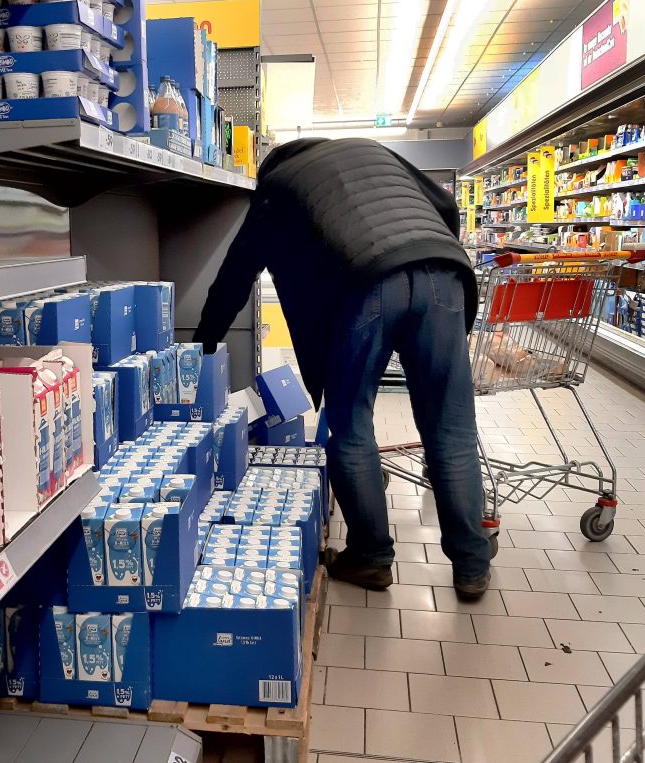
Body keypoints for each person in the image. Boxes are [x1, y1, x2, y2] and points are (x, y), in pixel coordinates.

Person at [193, 137, 492, 599]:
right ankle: (472, 565)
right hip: (443, 273)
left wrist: (203, 346)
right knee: (450, 428)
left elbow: (236, 273)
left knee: (352, 425)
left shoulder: (278, 185)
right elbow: (443, 204)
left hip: (366, 281)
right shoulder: (370, 148)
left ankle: (371, 557)